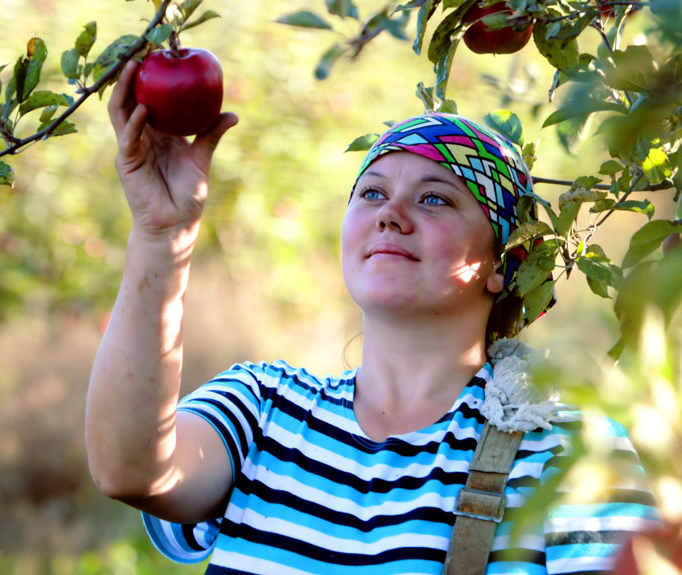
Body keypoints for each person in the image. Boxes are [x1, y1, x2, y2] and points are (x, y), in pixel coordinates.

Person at [85, 59, 663, 575]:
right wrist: (163, 233)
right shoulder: (264, 410)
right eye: (371, 193)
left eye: (435, 197)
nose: (390, 214)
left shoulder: (567, 452)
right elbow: (131, 471)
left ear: (504, 265)